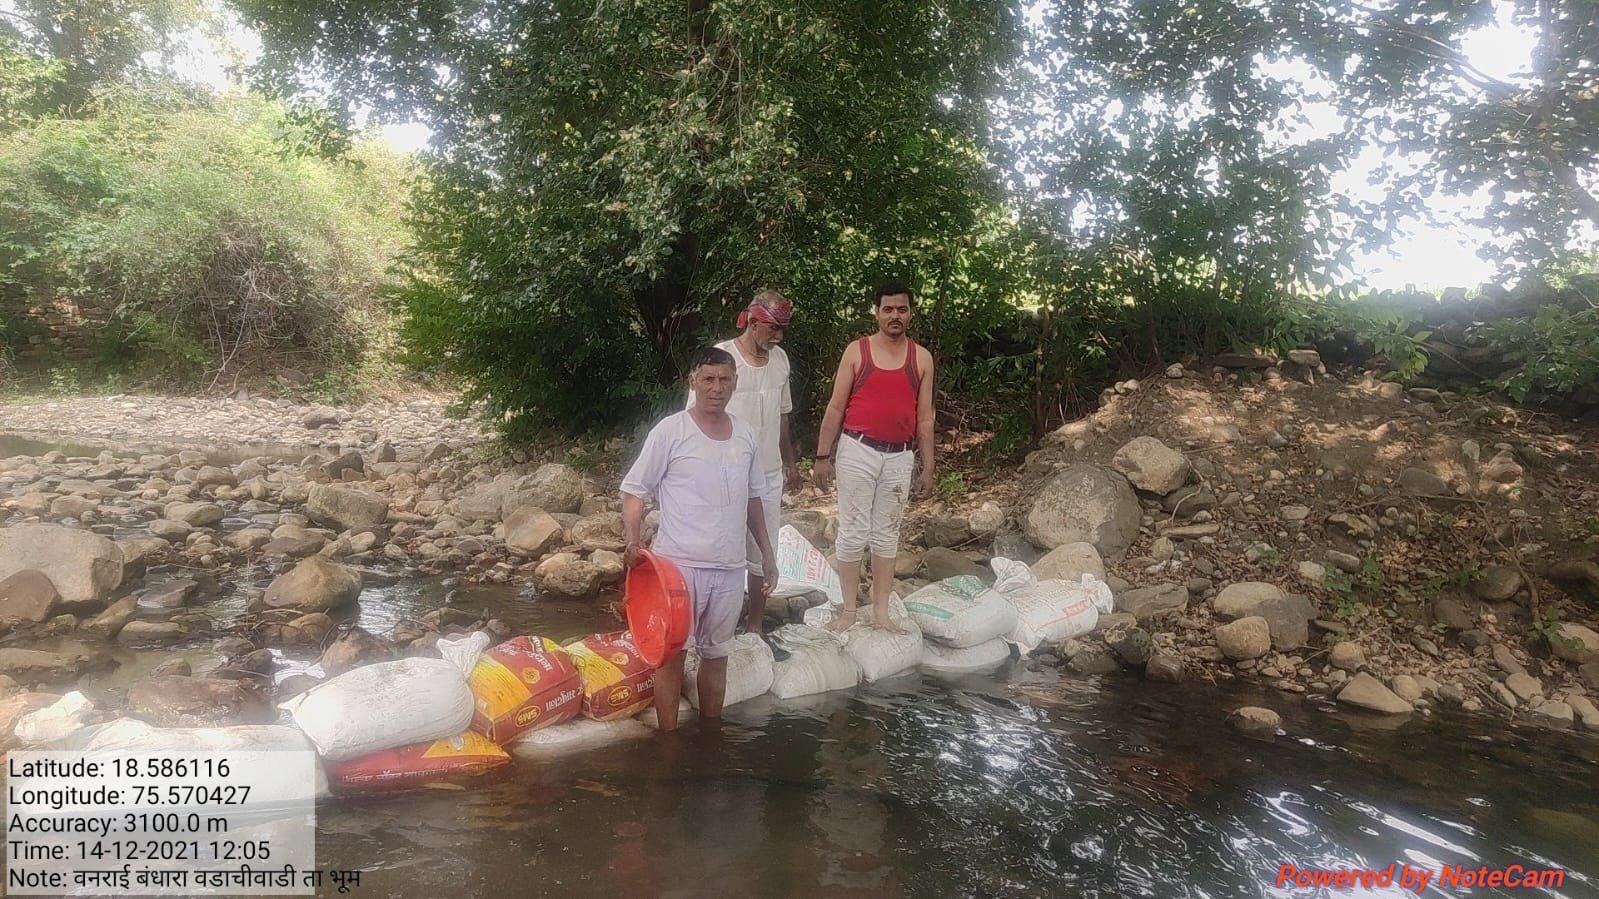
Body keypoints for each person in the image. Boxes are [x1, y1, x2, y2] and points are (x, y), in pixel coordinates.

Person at [622, 346, 777, 731]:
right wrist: (633, 542)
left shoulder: (745, 435)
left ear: (735, 383)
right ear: (693, 382)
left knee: (717, 655)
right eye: (708, 379)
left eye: (724, 379)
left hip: (729, 569)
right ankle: (668, 741)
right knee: (671, 654)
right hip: (677, 569)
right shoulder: (671, 431)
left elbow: (753, 500)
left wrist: (767, 555)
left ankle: (711, 735)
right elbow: (635, 490)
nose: (716, 388)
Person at [812, 281, 935, 633]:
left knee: (887, 534)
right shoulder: (857, 351)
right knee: (852, 532)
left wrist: (928, 466)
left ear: (911, 313)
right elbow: (836, 407)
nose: (895, 316)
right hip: (858, 449)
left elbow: (925, 417)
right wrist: (822, 456)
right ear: (876, 312)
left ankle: (881, 612)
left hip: (899, 456)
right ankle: (849, 610)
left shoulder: (921, 358)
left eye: (902, 309)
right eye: (888, 309)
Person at [687, 289, 800, 635]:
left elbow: (782, 415)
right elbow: (692, 418)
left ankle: (754, 627)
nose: (778, 337)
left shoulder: (780, 360)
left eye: (782, 330)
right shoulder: (721, 359)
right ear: (752, 322)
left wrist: (790, 463)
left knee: (763, 551)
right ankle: (707, 624)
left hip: (767, 472)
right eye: (773, 328)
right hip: (723, 474)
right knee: (717, 547)